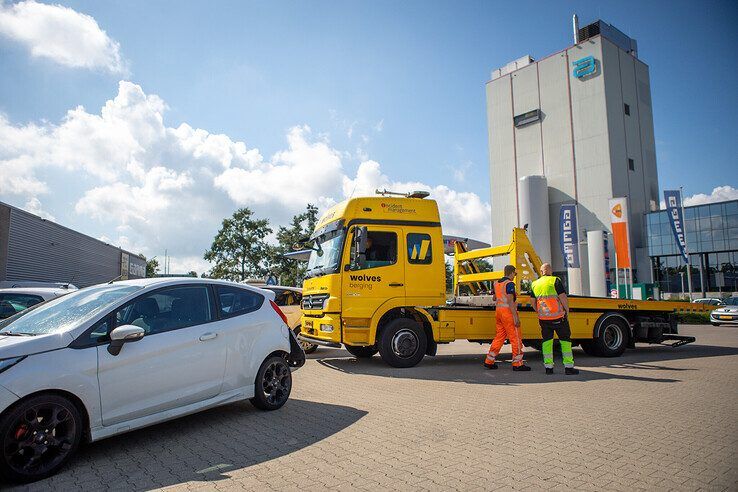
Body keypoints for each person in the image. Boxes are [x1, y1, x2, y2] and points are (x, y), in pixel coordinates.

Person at [530, 263, 579, 375]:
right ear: (550, 271)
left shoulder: (535, 284)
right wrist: (567, 310)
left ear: (541, 272)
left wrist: (538, 311)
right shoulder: (555, 280)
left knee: (547, 342)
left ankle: (548, 368)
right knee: (565, 341)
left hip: (544, 319)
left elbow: (532, 301)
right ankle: (568, 367)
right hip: (558, 318)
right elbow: (563, 297)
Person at [484, 265, 530, 371]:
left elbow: (494, 297)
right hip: (508, 313)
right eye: (514, 274)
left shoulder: (497, 283)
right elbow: (510, 301)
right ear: (512, 273)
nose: (514, 276)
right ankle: (518, 364)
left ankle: (489, 361)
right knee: (516, 338)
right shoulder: (509, 284)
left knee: (499, 337)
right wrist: (515, 317)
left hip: (499, 313)